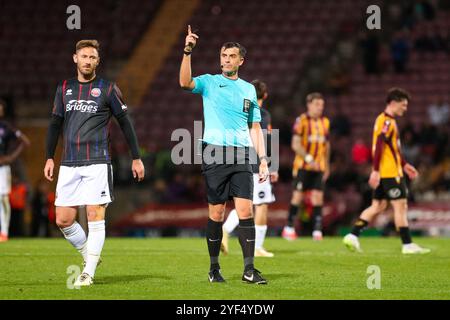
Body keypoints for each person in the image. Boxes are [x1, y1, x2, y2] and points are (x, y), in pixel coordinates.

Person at [44, 40, 145, 286]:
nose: (88, 60)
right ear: (75, 58)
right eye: (84, 56)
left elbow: (125, 123)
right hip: (69, 162)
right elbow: (55, 123)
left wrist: (136, 157)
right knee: (63, 220)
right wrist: (49, 156)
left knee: (94, 214)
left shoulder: (108, 89)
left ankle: (88, 273)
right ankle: (89, 256)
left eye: (92, 57)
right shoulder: (64, 88)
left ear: (98, 62)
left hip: (98, 161)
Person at [179, 26, 269, 284]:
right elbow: (184, 82)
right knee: (216, 213)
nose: (226, 60)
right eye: (223, 55)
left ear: (241, 60)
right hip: (215, 153)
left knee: (245, 210)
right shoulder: (209, 81)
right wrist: (187, 51)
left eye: (231, 56)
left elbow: (255, 127)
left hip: (241, 154)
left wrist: (262, 159)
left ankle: (249, 270)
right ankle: (214, 269)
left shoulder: (248, 90)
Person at [343, 88, 430, 254]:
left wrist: (404, 164)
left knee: (378, 206)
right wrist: (375, 170)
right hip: (390, 173)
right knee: (400, 206)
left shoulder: (385, 120)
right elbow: (380, 146)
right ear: (393, 103)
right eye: (403, 105)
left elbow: (391, 149)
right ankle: (407, 244)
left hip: (388, 171)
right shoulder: (387, 122)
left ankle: (352, 235)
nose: (405, 108)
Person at [221, 79, 278, 258]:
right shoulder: (262, 114)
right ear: (265, 95)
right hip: (256, 164)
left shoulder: (239, 111)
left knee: (246, 203)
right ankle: (257, 246)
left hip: (239, 161)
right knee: (260, 205)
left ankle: (225, 228)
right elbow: (266, 140)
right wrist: (271, 165)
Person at [282, 93, 330, 241]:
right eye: (317, 104)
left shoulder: (325, 122)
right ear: (309, 104)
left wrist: (326, 165)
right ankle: (289, 227)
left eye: (321, 105)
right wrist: (309, 159)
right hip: (303, 166)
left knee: (318, 197)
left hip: (319, 167)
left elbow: (327, 145)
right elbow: (295, 144)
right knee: (298, 196)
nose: (319, 108)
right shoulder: (301, 121)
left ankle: (317, 230)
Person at [0, 101, 30, 242]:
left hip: (2, 168)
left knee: (3, 199)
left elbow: (25, 141)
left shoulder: (6, 127)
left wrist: (11, 157)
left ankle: (4, 232)